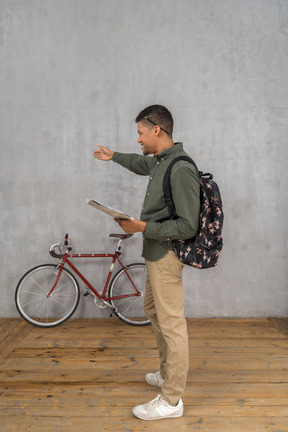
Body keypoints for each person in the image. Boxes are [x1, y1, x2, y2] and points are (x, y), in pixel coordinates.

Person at [93, 104, 200, 420]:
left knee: (172, 324)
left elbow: (187, 226)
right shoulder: (161, 161)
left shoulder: (180, 168)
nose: (138, 139)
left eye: (140, 132)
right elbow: (140, 162)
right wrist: (114, 156)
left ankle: (171, 401)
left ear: (157, 129)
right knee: (153, 310)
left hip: (167, 255)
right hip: (154, 253)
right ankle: (168, 373)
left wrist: (141, 226)